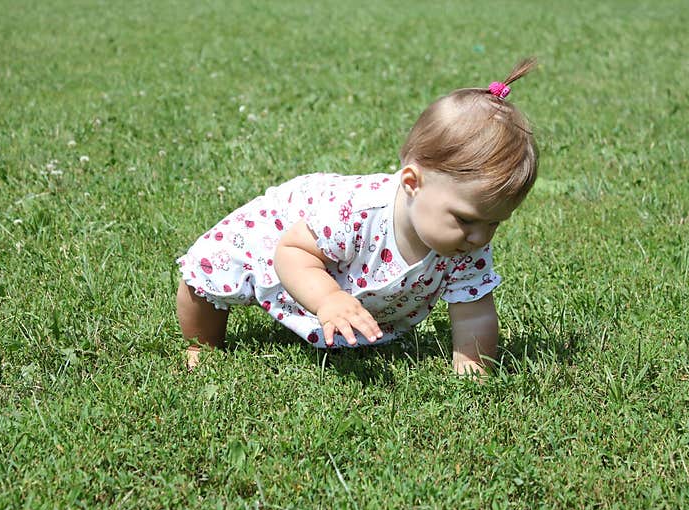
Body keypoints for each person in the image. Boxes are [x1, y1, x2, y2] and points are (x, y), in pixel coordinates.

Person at [176, 57, 539, 375]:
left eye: (494, 223)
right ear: (412, 183)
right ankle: (201, 345)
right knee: (210, 274)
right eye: (465, 220)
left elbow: (474, 313)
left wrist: (473, 370)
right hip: (285, 234)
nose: (480, 237)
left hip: (334, 268)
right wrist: (328, 300)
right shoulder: (356, 213)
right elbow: (292, 252)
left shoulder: (466, 246)